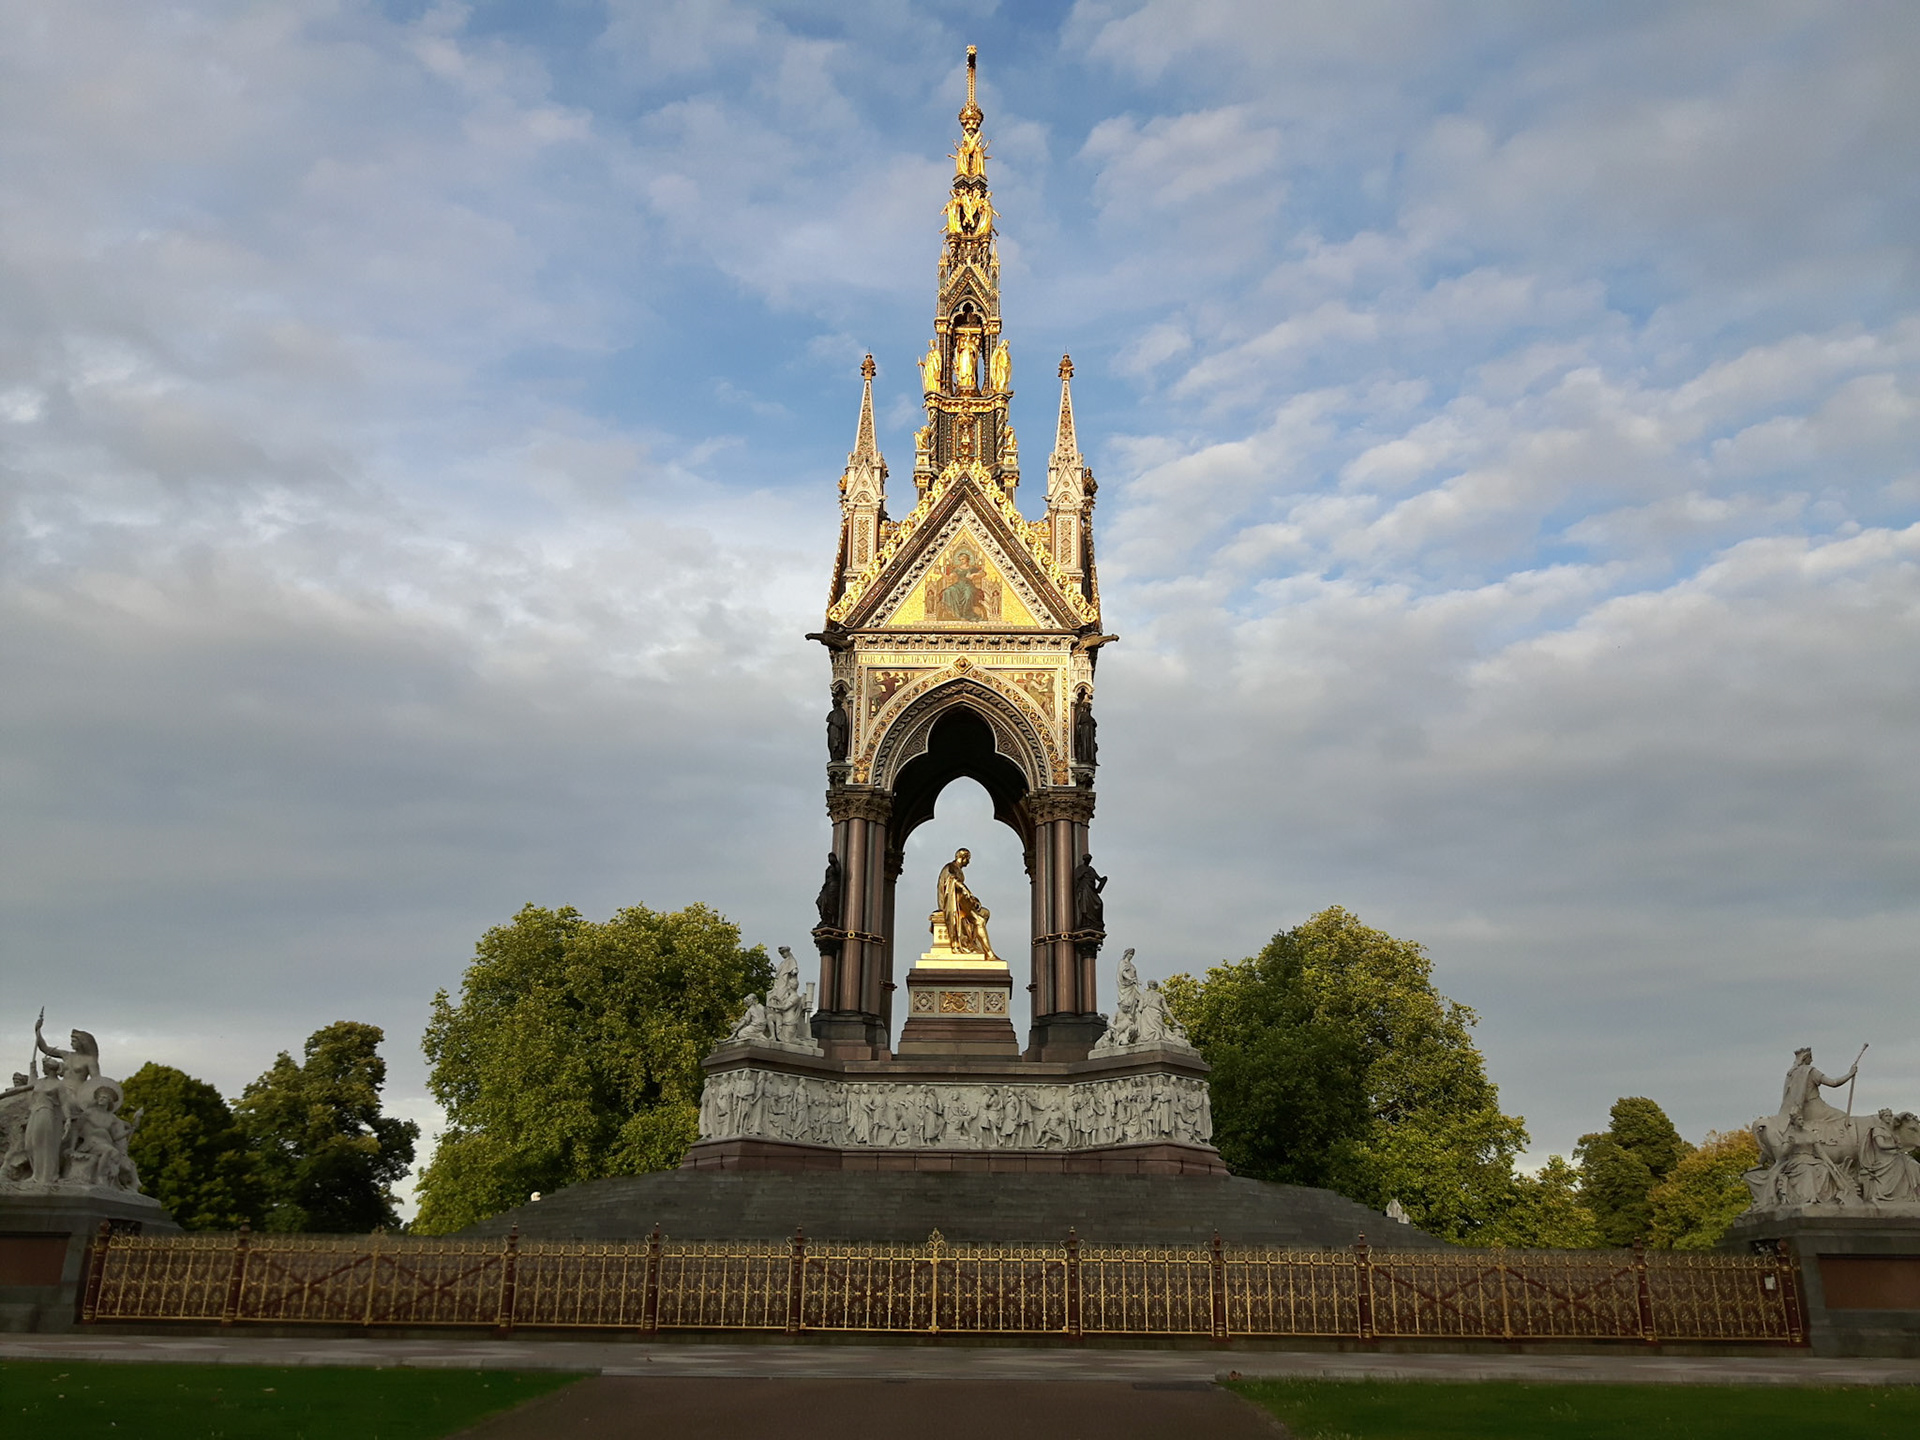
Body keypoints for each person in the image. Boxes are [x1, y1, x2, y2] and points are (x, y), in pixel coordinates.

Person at [936, 848, 996, 958]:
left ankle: (973, 943)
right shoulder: (951, 867)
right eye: (968, 859)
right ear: (964, 858)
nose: (969, 862)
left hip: (961, 903)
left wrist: (973, 899)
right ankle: (989, 954)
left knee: (985, 913)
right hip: (953, 904)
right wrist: (965, 889)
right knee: (980, 921)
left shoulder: (957, 869)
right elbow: (952, 881)